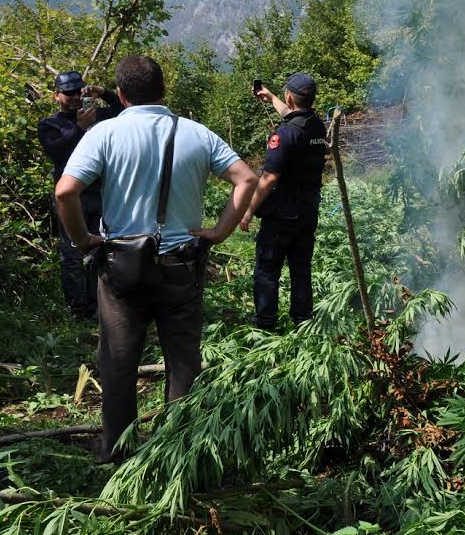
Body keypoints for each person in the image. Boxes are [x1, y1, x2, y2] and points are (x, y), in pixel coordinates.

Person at [54, 55, 257, 462]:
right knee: (183, 363)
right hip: (181, 268)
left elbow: (65, 192)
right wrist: (219, 232)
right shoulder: (198, 134)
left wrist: (82, 241)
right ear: (164, 91)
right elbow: (247, 178)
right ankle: (175, 452)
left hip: (120, 269)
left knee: (118, 362)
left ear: (123, 94)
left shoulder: (104, 133)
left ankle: (117, 452)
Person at [240, 73, 329, 330]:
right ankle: (303, 324)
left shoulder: (285, 134)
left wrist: (248, 211)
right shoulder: (317, 126)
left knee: (267, 270)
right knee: (301, 268)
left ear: (290, 97)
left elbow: (268, 179)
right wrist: (270, 98)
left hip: (283, 213)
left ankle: (265, 324)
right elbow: (293, 115)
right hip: (308, 209)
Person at [38, 71, 124, 320]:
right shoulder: (50, 124)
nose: (76, 97)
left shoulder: (97, 115)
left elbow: (123, 108)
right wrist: (80, 127)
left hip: (100, 193)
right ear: (56, 96)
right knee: (72, 251)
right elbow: (57, 152)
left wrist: (102, 92)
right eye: (69, 93)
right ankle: (78, 308)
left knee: (103, 247)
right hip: (70, 196)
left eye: (79, 91)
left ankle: (100, 304)